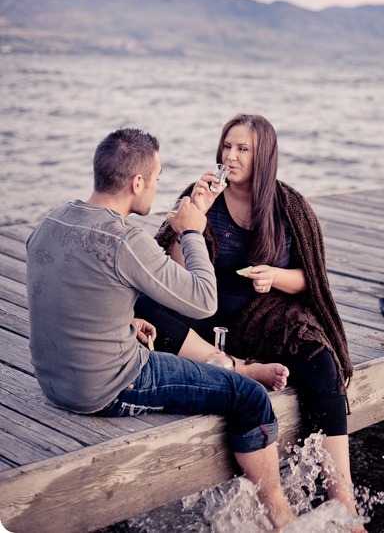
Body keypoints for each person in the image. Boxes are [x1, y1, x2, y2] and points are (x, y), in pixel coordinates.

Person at [26, 127, 295, 529]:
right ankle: (281, 515)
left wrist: (124, 318)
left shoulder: (53, 218)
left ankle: (227, 366)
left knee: (168, 337)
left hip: (55, 384)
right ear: (137, 183)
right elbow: (205, 300)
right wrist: (192, 229)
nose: (156, 186)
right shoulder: (125, 239)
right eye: (156, 179)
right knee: (252, 399)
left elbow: (66, 288)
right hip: (108, 385)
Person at [154, 114, 367, 532]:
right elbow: (174, 280)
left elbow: (313, 279)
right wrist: (194, 216)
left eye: (242, 149)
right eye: (226, 147)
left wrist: (275, 277)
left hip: (267, 315)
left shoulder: (289, 205)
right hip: (207, 315)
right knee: (149, 311)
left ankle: (342, 497)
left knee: (320, 360)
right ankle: (234, 365)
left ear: (263, 156)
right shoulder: (199, 198)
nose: (229, 156)